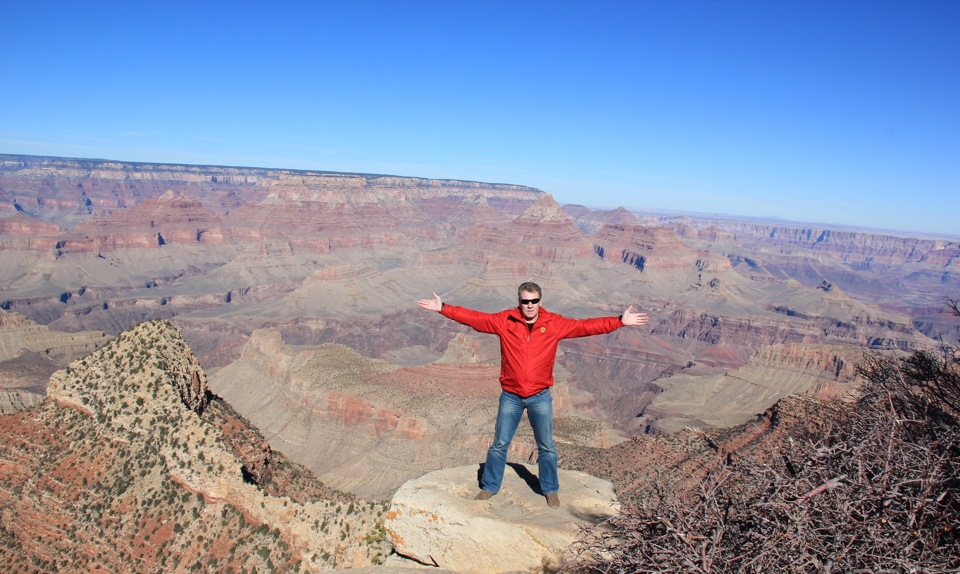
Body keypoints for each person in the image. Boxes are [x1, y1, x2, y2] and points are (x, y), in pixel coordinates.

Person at [418, 281, 649, 508]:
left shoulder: (554, 323)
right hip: (511, 395)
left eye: (534, 301)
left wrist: (619, 321)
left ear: (540, 301)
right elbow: (476, 319)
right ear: (518, 302)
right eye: (525, 301)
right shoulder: (505, 321)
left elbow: (586, 326)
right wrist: (444, 308)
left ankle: (550, 489)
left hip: (540, 396)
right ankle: (489, 486)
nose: (530, 305)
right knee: (499, 443)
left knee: (546, 445)